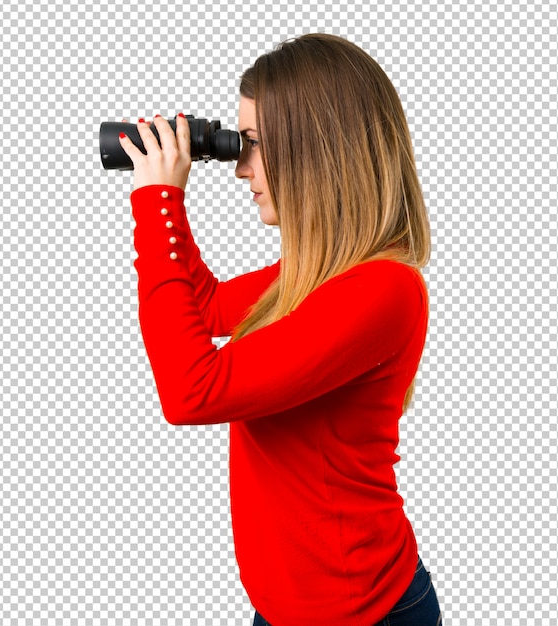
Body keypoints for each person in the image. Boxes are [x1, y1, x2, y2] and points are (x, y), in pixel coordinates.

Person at [118, 33, 441, 626]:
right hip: (287, 609)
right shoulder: (321, 272)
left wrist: (158, 204)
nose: (240, 169)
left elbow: (193, 392)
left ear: (320, 148)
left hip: (357, 612)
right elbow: (207, 304)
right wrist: (169, 194)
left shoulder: (382, 291)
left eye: (256, 145)